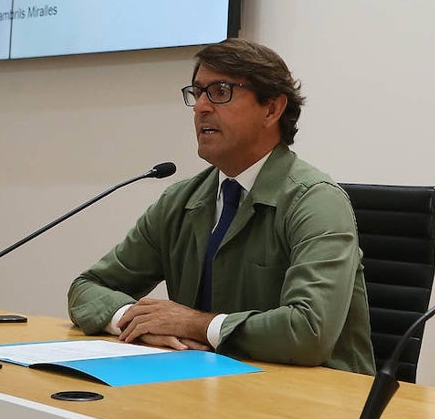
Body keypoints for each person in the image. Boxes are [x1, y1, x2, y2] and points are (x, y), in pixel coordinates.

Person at [68, 38, 375, 374]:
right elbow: (87, 288)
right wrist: (136, 322)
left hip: (314, 406)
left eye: (221, 91)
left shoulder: (315, 201)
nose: (201, 106)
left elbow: (308, 332)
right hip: (206, 388)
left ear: (272, 109)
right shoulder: (182, 200)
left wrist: (196, 325)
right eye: (198, 92)